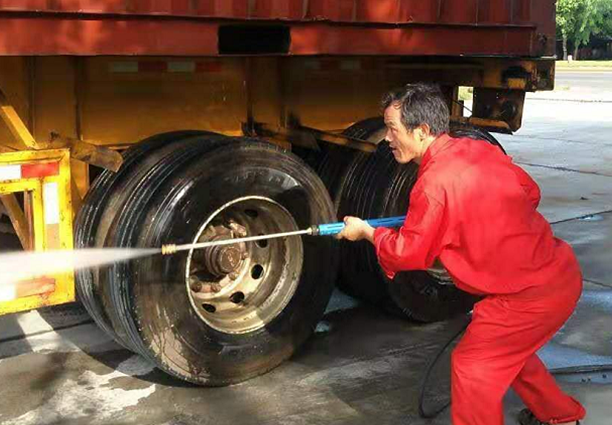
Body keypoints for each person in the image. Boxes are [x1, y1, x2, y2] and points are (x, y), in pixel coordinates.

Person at [336, 83, 586, 425]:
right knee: (510, 352)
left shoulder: (433, 186)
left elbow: (406, 253)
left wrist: (366, 232)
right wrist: (474, 222)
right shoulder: (475, 149)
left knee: (473, 368)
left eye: (392, 129)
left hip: (530, 296)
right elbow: (530, 192)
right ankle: (560, 414)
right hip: (558, 274)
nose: (388, 139)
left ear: (422, 131)